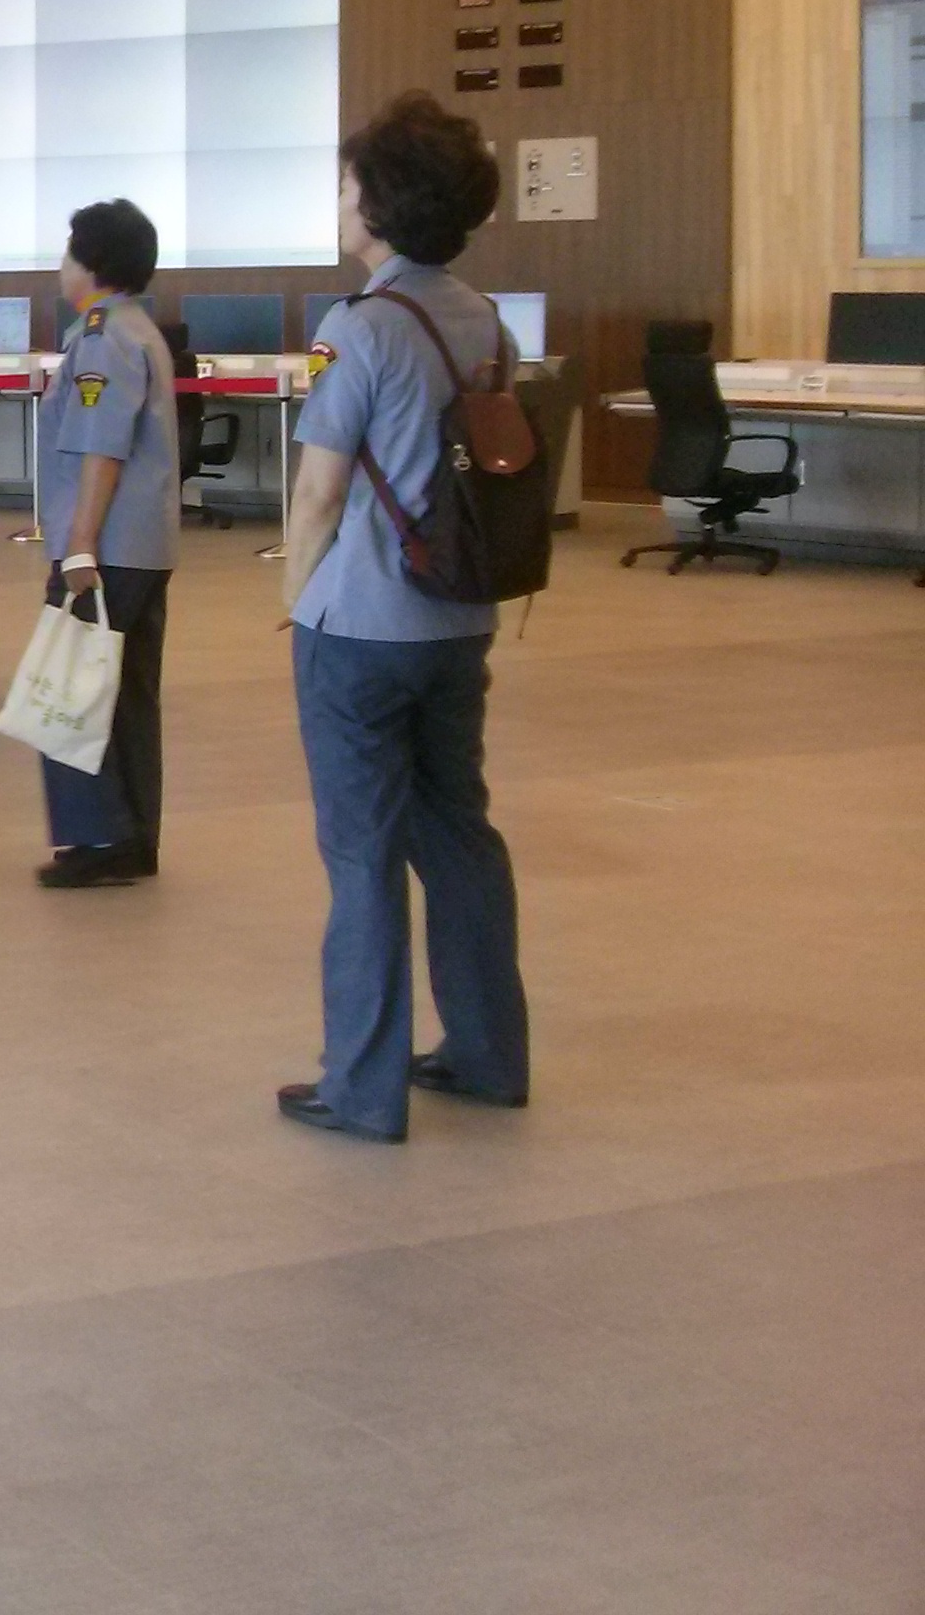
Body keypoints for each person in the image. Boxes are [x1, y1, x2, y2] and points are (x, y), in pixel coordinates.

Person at [277, 92, 532, 1143]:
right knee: (459, 833)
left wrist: (297, 600)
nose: (341, 202)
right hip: (457, 620)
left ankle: (361, 1087)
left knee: (363, 855)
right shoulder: (486, 319)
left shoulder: (356, 328)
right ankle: (487, 1053)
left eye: (348, 186)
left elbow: (319, 492)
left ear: (379, 205)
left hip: (362, 628)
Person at [32, 198, 179, 891]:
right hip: (144, 546)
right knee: (128, 698)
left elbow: (101, 448)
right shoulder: (139, 329)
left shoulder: (101, 337)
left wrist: (80, 546)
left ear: (92, 264)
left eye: (69, 252)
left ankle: (98, 836)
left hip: (105, 546)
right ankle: (133, 836)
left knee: (70, 688)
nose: (61, 265)